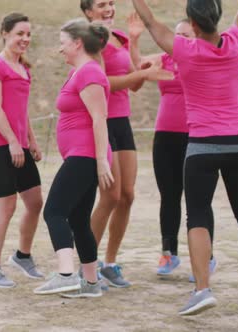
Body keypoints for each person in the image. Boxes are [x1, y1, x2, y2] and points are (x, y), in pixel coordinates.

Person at [132, 0, 238, 315]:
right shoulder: (237, 40)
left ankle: (202, 290)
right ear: (217, 17)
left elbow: (150, 21)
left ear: (194, 25)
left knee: (196, 214)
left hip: (204, 143)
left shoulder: (185, 50)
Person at [80, 0, 173, 288]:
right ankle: (87, 268)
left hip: (122, 122)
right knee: (110, 196)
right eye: (101, 4)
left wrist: (133, 41)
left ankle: (109, 262)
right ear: (87, 12)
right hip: (101, 122)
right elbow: (103, 82)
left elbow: (134, 84)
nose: (109, 8)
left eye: (111, 3)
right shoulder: (88, 40)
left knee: (127, 196)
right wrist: (143, 73)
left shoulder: (118, 36)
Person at [127, 14, 218, 279]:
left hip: (197, 137)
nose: (180, 41)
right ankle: (169, 253)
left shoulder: (204, 59)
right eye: (177, 36)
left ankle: (205, 259)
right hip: (165, 137)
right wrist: (133, 39)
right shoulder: (165, 59)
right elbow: (138, 67)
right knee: (169, 197)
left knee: (197, 201)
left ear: (198, 38)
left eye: (186, 36)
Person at [33, 18, 113, 298]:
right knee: (79, 219)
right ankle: (91, 284)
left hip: (85, 156)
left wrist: (101, 159)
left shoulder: (89, 72)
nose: (60, 49)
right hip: (83, 156)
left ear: (78, 43)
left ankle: (66, 274)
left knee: (54, 211)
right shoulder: (82, 71)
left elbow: (100, 118)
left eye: (63, 43)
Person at [0, 13, 45, 288]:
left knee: (35, 203)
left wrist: (31, 139)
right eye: (20, 33)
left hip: (19, 146)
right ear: (5, 33)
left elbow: (21, 111)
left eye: (28, 34)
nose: (25, 39)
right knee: (6, 208)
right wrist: (13, 141)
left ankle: (22, 256)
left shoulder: (23, 69)